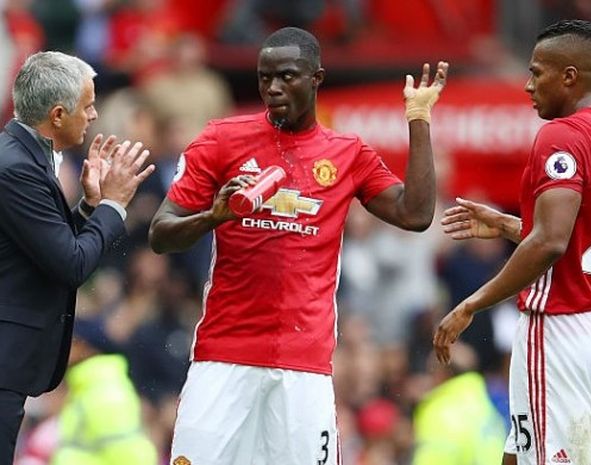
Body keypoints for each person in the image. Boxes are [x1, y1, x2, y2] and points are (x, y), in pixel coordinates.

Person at [148, 26, 448, 465]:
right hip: (223, 355)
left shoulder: (348, 153)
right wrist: (211, 217)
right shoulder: (220, 140)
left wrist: (418, 120)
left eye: (286, 76)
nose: (272, 88)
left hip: (304, 365)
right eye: (264, 78)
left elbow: (415, 214)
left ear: (316, 79)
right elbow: (160, 233)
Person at [434, 19, 591, 465]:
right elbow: (581, 241)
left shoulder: (562, 135)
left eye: (537, 73)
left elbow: (552, 243)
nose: (527, 85)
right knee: (518, 456)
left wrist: (471, 304)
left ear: (569, 76)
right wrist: (507, 224)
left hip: (561, 329)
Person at [0, 51, 154, 463]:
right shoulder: (15, 168)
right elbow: (71, 265)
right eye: (87, 106)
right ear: (56, 114)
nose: (94, 114)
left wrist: (89, 207)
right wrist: (115, 206)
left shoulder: (22, 157)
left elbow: (43, 249)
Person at [50, 318, 158, 465]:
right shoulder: (90, 388)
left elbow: (131, 458)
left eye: (73, 341)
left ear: (88, 349)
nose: (63, 347)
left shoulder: (105, 394)